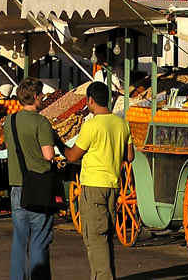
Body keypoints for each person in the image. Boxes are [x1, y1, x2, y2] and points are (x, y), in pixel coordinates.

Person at [65, 82, 134, 280]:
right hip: (113, 186)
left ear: (90, 101)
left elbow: (72, 156)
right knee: (105, 237)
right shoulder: (122, 123)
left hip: (93, 186)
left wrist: (59, 145)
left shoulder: (91, 125)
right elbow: (129, 157)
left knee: (95, 238)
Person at [4, 78, 57, 280]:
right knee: (39, 238)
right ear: (35, 96)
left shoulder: (10, 121)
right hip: (39, 186)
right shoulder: (42, 122)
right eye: (41, 94)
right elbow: (48, 155)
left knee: (19, 239)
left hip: (17, 184)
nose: (43, 98)